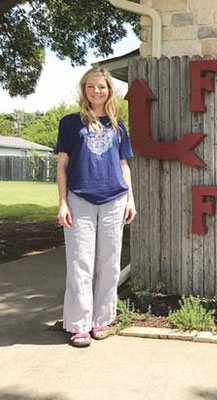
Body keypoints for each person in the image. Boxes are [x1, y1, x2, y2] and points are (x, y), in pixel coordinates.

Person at [56, 67, 136, 347]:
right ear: (84, 90)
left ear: (108, 90)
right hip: (80, 199)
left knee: (109, 263)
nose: (96, 91)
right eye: (91, 87)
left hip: (114, 200)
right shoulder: (69, 123)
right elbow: (62, 166)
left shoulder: (118, 126)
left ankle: (101, 320)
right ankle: (79, 324)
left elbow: (124, 164)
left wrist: (131, 199)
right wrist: (63, 202)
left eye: (101, 87)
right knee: (80, 263)